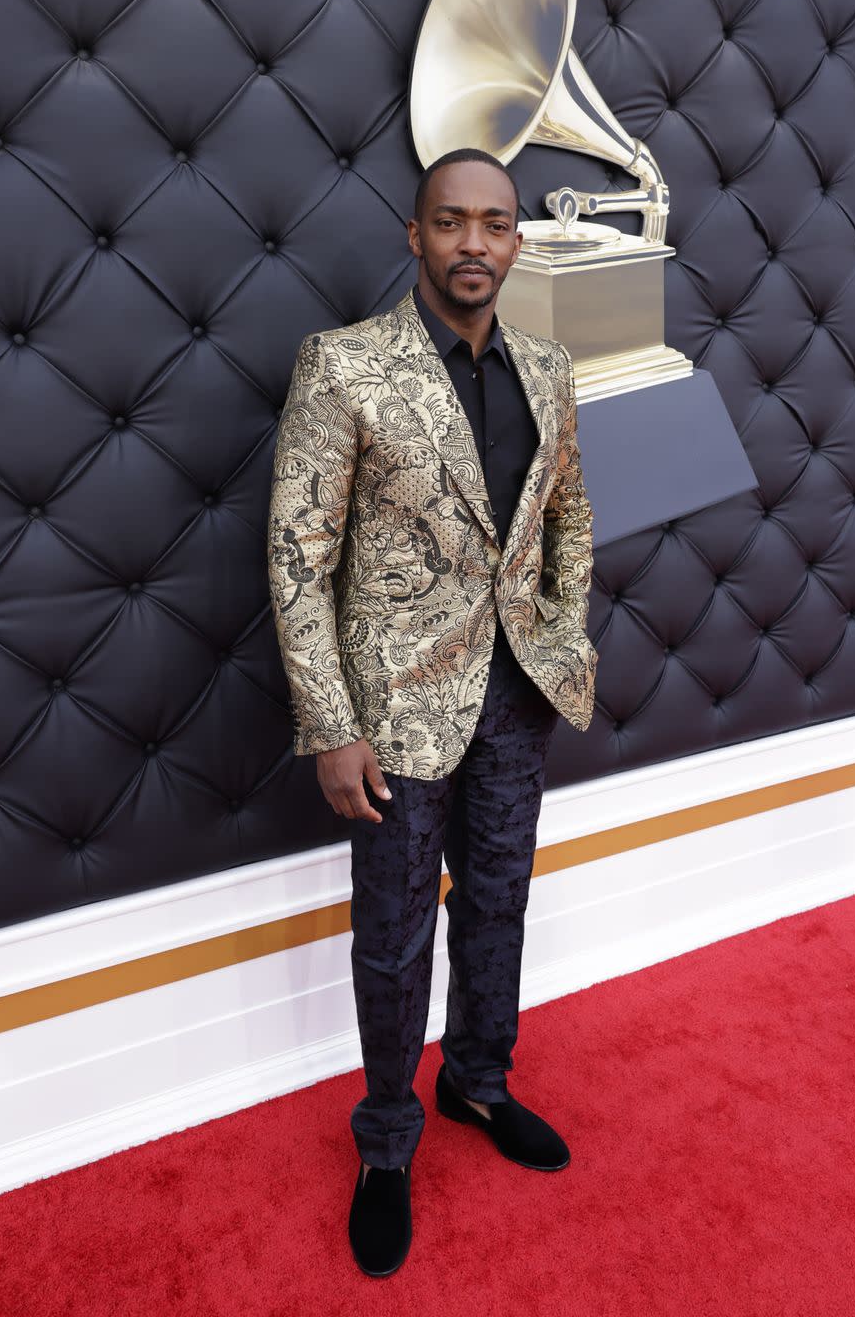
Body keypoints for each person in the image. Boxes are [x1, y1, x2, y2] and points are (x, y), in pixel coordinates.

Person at [267, 148, 598, 1277]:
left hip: (518, 704)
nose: (473, 243)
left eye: (494, 223)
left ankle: (478, 1083)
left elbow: (569, 524)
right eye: (450, 222)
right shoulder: (346, 366)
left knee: (499, 902)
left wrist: (563, 640)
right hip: (393, 720)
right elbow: (297, 556)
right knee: (395, 940)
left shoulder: (551, 369)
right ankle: (387, 1145)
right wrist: (332, 724)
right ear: (416, 236)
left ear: (517, 241)